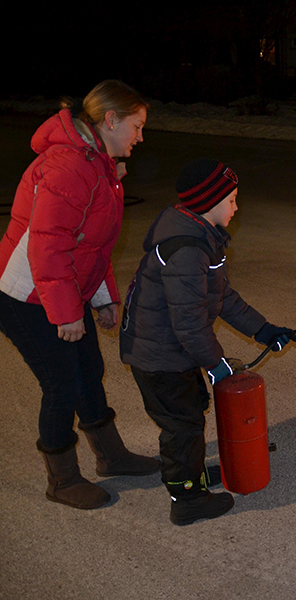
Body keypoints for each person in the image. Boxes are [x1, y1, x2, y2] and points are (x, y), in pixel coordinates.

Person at [0, 80, 160, 510]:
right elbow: (48, 247)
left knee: (89, 371)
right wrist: (67, 314)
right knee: (62, 384)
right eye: (137, 126)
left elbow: (93, 245)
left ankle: (112, 456)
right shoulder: (69, 166)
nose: (140, 137)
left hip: (60, 290)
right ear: (110, 120)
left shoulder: (98, 164)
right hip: (26, 295)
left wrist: (103, 297)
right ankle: (63, 480)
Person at [119, 158, 296, 526]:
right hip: (158, 357)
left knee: (191, 412)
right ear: (209, 203)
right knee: (182, 426)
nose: (236, 207)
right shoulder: (188, 250)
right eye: (231, 200)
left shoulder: (201, 236)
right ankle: (187, 498)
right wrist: (216, 364)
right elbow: (189, 322)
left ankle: (193, 475)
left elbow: (222, 297)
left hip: (172, 352)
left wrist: (264, 330)